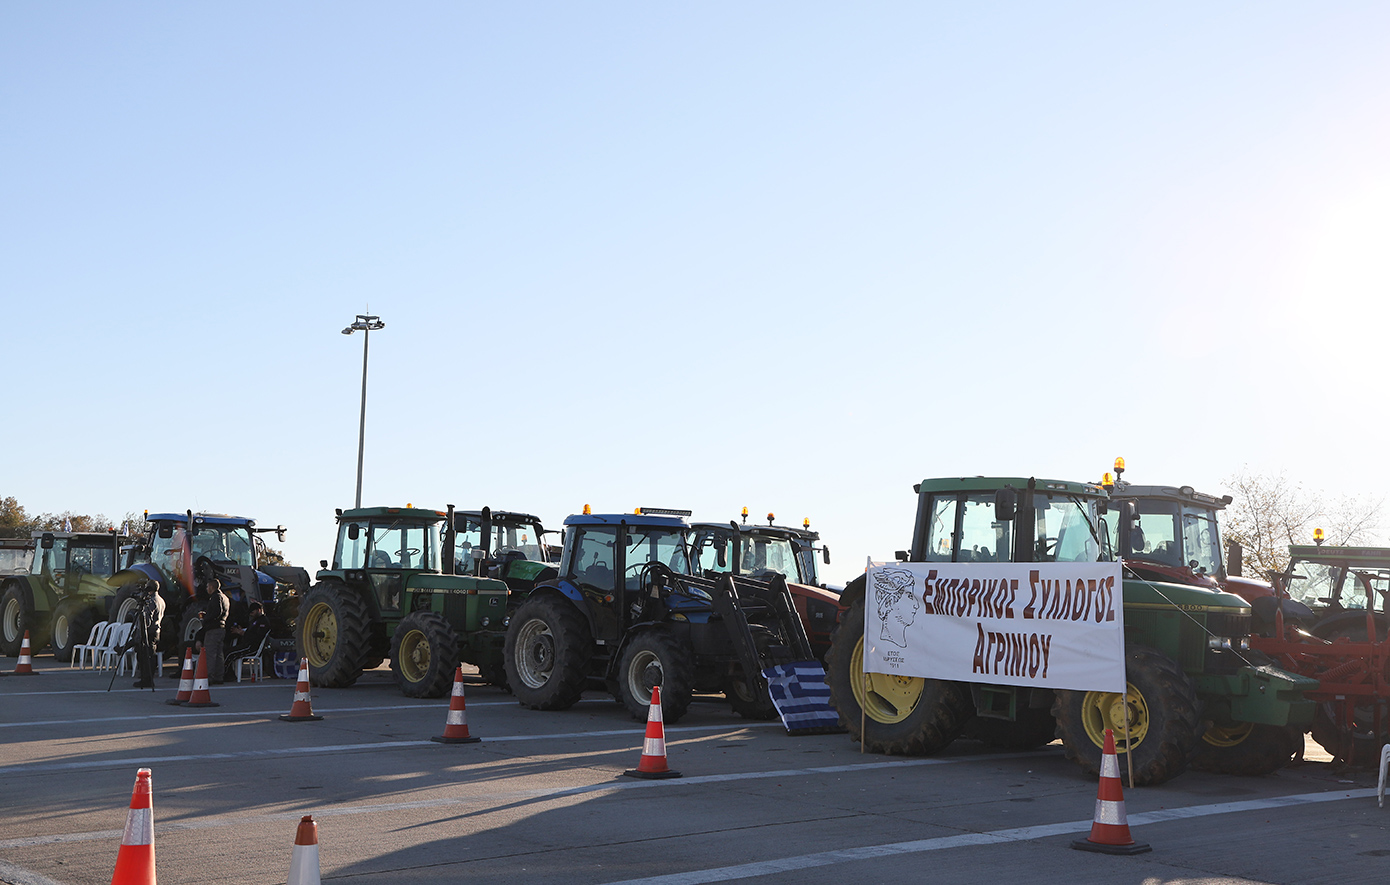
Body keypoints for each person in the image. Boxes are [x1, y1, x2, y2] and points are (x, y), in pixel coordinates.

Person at [130, 584, 166, 689]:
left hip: (149, 632)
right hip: (156, 631)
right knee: (151, 654)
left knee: (145, 656)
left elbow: (147, 621)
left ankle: (146, 679)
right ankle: (148, 678)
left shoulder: (151, 601)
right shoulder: (161, 600)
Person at [201, 576, 231, 685]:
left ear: (212, 587)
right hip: (222, 628)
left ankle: (209, 677)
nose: (206, 588)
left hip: (213, 629)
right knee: (219, 654)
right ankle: (219, 676)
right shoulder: (225, 597)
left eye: (207, 586)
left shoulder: (216, 597)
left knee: (210, 654)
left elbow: (217, 611)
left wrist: (205, 619)